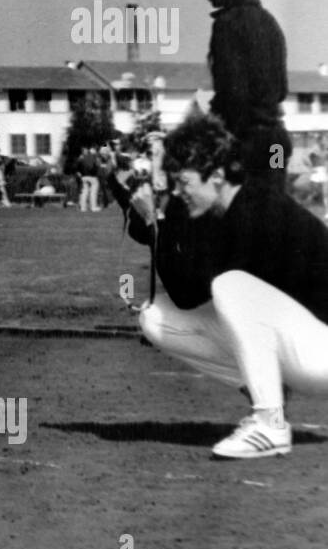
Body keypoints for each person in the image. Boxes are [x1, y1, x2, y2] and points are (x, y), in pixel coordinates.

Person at [133, 113, 328, 459]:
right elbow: (181, 292)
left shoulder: (257, 210)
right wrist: (154, 221)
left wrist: (155, 222)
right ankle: (270, 390)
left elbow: (191, 289)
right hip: (306, 344)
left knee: (230, 287)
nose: (178, 193)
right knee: (155, 316)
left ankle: (269, 423)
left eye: (184, 182)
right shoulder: (227, 207)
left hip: (321, 351)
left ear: (218, 176)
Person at [199, 0, 290, 191]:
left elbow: (233, 95)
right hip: (276, 145)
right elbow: (281, 90)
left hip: (246, 147)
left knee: (242, 224)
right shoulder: (270, 23)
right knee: (274, 212)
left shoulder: (227, 24)